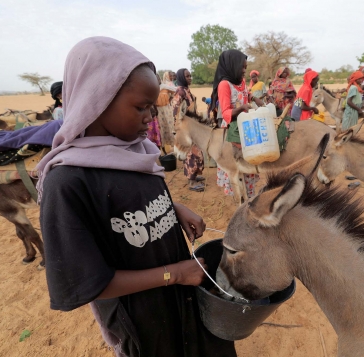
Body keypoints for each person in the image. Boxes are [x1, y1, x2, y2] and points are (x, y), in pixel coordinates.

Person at [36, 36, 236, 357]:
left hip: (180, 295)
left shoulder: (137, 151)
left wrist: (174, 207)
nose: (150, 117)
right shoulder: (69, 182)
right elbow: (90, 282)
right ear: (95, 100)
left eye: (151, 107)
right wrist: (177, 273)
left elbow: (133, 201)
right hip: (142, 317)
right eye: (140, 107)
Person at [209, 49, 260, 198]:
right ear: (232, 65)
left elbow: (245, 94)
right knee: (237, 167)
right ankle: (241, 199)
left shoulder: (241, 81)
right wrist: (242, 108)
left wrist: (254, 99)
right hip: (233, 133)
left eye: (246, 67)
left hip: (246, 128)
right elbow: (225, 113)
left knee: (249, 164)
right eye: (242, 67)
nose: (245, 70)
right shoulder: (224, 85)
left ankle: (249, 198)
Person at [172, 68, 205, 192]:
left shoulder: (186, 90)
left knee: (197, 152)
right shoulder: (180, 92)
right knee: (191, 154)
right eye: (187, 76)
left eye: (190, 75)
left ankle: (195, 176)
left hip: (192, 126)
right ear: (181, 77)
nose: (190, 78)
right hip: (186, 128)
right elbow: (176, 112)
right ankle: (191, 182)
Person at [156, 71, 177, 151]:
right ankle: (163, 148)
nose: (157, 79)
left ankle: (174, 145)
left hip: (167, 109)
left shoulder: (165, 87)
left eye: (158, 78)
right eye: (155, 78)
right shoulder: (154, 88)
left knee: (170, 126)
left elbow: (174, 92)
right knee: (161, 128)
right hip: (158, 110)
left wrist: (169, 100)